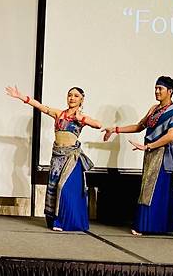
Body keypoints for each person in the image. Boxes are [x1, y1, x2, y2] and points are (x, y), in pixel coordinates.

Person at [103, 76, 173, 235]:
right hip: (150, 153)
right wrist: (115, 129)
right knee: (164, 190)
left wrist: (148, 146)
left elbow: (171, 136)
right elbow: (139, 126)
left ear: (170, 91)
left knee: (152, 190)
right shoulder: (154, 109)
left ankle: (145, 226)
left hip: (162, 155)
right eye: (155, 88)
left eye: (160, 88)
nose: (157, 91)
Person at [6, 85, 101, 231]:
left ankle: (66, 222)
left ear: (82, 100)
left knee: (65, 188)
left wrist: (80, 117)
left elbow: (98, 124)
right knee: (54, 188)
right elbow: (41, 107)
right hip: (57, 157)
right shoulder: (59, 114)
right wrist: (21, 97)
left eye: (76, 96)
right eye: (70, 95)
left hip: (71, 158)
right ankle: (56, 221)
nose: (72, 98)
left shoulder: (81, 118)